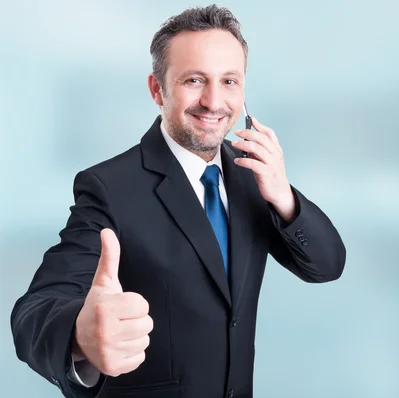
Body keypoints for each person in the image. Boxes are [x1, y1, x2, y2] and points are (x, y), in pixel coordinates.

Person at [10, 5, 346, 398]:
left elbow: (327, 265)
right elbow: (33, 312)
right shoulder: (109, 187)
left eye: (230, 81)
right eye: (194, 80)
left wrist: (283, 195)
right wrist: (80, 336)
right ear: (158, 90)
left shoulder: (253, 178)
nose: (214, 101)